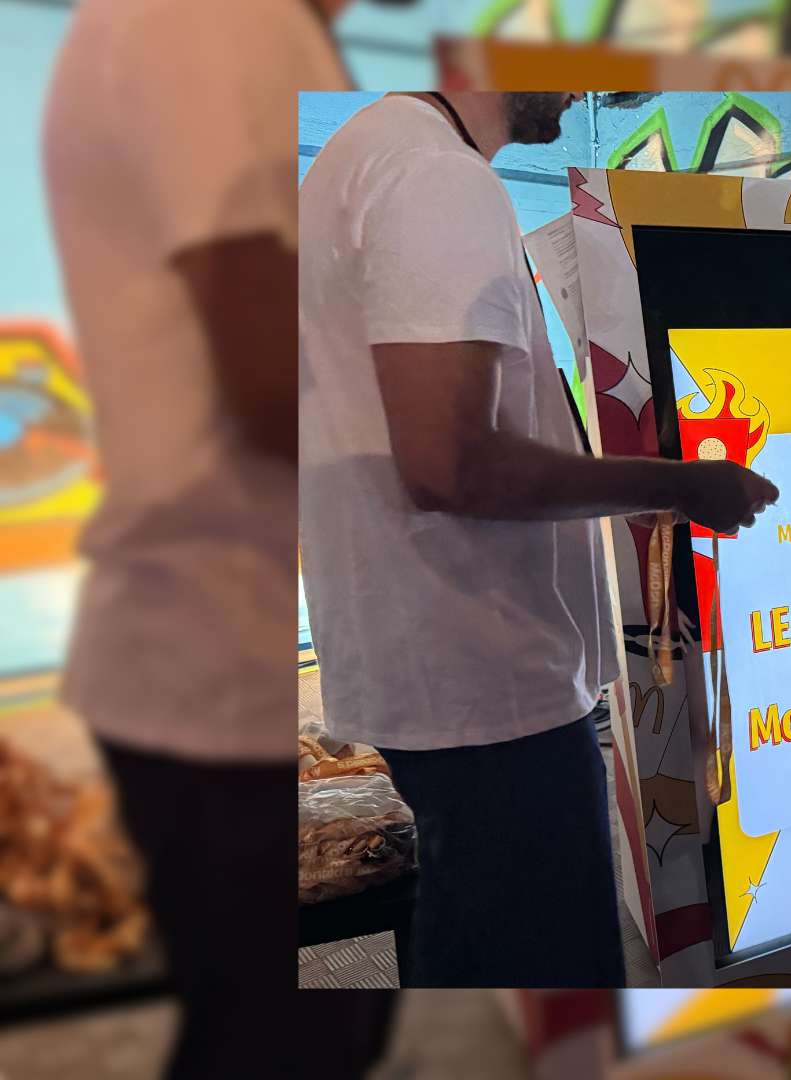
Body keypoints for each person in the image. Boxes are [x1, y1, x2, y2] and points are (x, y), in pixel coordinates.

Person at [298, 91, 777, 988]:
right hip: (485, 677)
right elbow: (450, 465)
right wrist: (682, 486)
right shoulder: (437, 175)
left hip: (437, 665)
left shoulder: (364, 158)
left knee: (474, 951)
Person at [41, 0, 397, 1075]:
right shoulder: (217, 19)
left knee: (288, 1033)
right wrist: (452, 457)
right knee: (289, 1042)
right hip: (208, 651)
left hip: (193, 647)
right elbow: (264, 380)